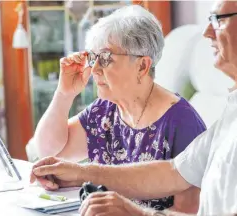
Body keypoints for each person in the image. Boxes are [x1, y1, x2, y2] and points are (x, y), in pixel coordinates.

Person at [31, 0, 237, 215]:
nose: (206, 33)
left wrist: (137, 214)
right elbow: (173, 172)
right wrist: (79, 173)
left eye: (219, 20)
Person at [33, 5, 206, 212]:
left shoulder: (182, 123)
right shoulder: (105, 111)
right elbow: (49, 150)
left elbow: (187, 212)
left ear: (142, 66)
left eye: (105, 58)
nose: (95, 69)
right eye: (93, 58)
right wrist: (64, 94)